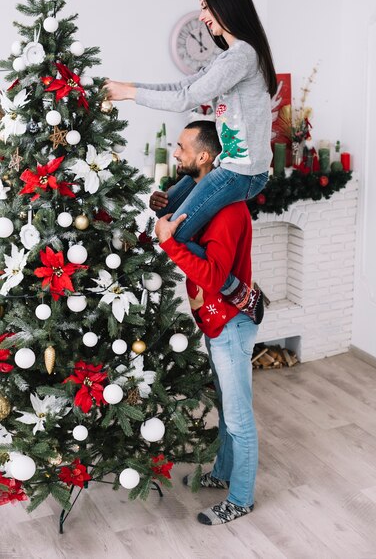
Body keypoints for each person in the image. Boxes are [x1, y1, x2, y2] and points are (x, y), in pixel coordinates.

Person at [105, 0, 276, 322]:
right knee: (165, 206)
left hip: (241, 173)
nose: (202, 17)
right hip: (228, 166)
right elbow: (183, 84)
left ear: (225, 6)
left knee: (176, 234)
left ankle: (240, 292)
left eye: (205, 8)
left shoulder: (242, 56)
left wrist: (129, 95)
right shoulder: (228, 56)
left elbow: (187, 97)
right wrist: (129, 86)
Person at [153, 120, 259, 525]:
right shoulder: (204, 204)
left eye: (181, 148)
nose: (175, 154)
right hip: (217, 323)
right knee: (228, 407)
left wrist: (170, 244)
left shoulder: (228, 212)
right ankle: (223, 473)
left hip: (231, 325)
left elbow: (214, 276)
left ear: (204, 157)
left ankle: (242, 498)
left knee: (238, 416)